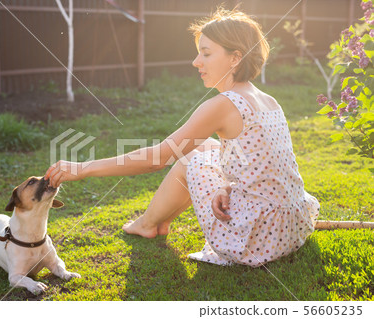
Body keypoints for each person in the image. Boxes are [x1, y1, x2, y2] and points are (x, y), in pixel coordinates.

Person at [45, 7, 320, 267]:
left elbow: (158, 158)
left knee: (190, 155)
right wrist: (226, 188)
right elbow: (261, 167)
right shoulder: (268, 100)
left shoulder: (223, 105)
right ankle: (154, 223)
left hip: (258, 241)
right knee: (206, 147)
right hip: (292, 227)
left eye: (206, 54)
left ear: (235, 58)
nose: (196, 61)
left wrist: (83, 169)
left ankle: (148, 224)